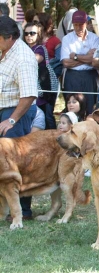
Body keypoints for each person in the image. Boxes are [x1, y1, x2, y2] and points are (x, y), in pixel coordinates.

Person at [0, 16, 40, 221]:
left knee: (18, 162)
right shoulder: (4, 51)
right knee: (2, 163)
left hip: (17, 112)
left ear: (9, 37)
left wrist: (12, 120)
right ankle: (4, 207)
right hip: (3, 108)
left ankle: (23, 210)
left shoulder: (23, 57)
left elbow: (29, 95)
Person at [61, 10, 99, 116]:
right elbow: (66, 63)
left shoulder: (95, 38)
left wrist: (75, 56)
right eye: (76, 25)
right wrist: (87, 57)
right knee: (72, 108)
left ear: (86, 23)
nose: (78, 27)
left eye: (81, 24)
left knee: (90, 107)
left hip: (90, 76)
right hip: (72, 75)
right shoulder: (67, 39)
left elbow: (95, 60)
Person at [22, 22, 56, 130]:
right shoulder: (25, 48)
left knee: (46, 117)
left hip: (43, 89)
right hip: (32, 89)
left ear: (39, 34)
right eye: (26, 33)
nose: (29, 36)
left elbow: (34, 60)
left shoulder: (39, 48)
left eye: (32, 33)